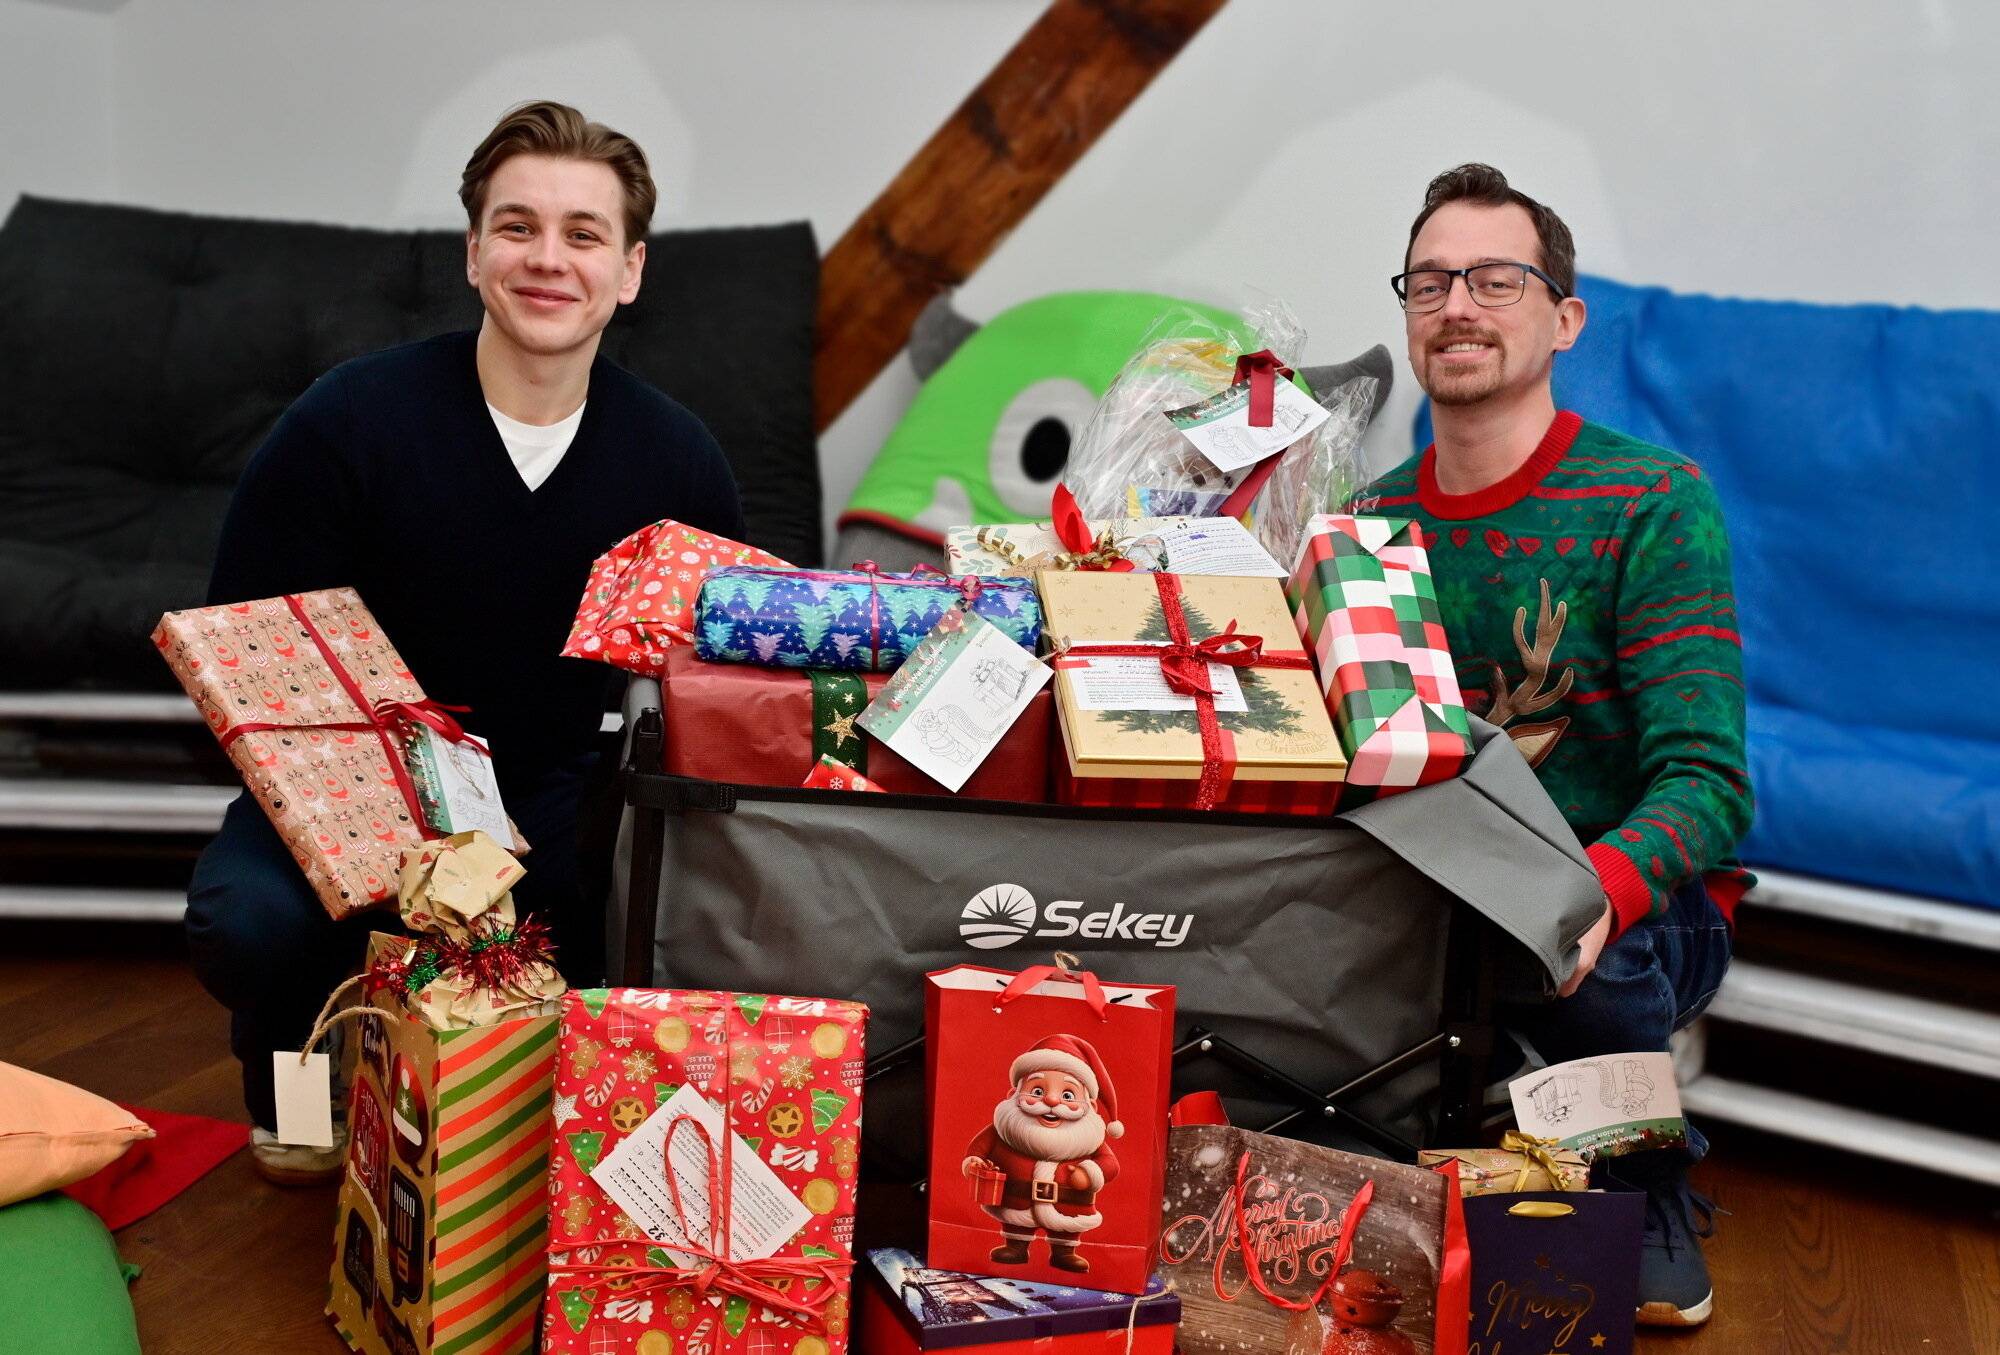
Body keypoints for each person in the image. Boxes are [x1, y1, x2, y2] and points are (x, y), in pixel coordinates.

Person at [184, 100, 744, 1184]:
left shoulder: (677, 460)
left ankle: (517, 1104)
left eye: (582, 234)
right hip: (347, 780)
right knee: (249, 922)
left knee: (634, 926)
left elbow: (714, 689)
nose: (547, 258)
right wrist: (367, 826)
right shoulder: (347, 419)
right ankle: (293, 1082)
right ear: (474, 250)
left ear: (628, 270)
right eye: (517, 226)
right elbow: (243, 640)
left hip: (551, 791)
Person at [1357, 164, 1751, 1327]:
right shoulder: (1367, 525)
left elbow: (1709, 784)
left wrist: (1596, 890)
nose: (1457, 306)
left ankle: (1645, 1178)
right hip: (1430, 879)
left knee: (1563, 929)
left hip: (1626, 910)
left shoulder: (1652, 503)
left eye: (1494, 278)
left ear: (1562, 316)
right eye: (1428, 282)